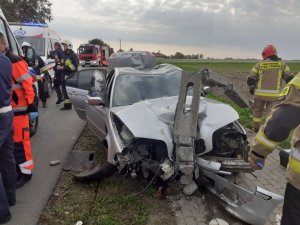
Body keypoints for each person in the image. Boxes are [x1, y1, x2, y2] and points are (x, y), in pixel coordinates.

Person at [248, 73, 300, 225]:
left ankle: (254, 127)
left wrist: (257, 153)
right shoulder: (282, 65)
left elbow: (281, 120)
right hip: (272, 97)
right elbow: (288, 74)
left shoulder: (259, 65)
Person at [6, 43, 37, 189]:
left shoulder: (14, 60)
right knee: (12, 144)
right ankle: (18, 170)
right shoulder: (5, 60)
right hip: (9, 111)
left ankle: (26, 173)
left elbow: (27, 84)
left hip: (19, 111)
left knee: (20, 143)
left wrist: (31, 106)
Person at [247, 45, 294, 132]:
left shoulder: (259, 65)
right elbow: (290, 79)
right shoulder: (282, 65)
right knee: (271, 114)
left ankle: (256, 129)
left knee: (257, 112)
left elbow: (250, 79)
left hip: (259, 95)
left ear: (265, 54)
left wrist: (251, 89)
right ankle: (267, 131)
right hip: (274, 96)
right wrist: (289, 92)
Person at [0, 32, 16, 224]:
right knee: (7, 157)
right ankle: (10, 197)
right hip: (7, 112)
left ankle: (2, 212)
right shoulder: (6, 62)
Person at [21, 42, 48, 108]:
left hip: (37, 77)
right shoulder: (21, 58)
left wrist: (45, 73)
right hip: (28, 78)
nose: (24, 50)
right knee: (30, 92)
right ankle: (32, 104)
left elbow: (43, 66)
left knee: (41, 90)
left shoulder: (36, 57)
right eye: (23, 48)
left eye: (26, 48)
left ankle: (44, 102)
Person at [58, 39, 78, 110]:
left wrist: (64, 67)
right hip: (64, 76)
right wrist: (59, 64)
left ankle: (70, 105)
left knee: (69, 92)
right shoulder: (64, 55)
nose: (64, 47)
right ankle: (67, 106)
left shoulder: (73, 56)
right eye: (63, 46)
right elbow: (62, 63)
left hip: (70, 77)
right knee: (64, 91)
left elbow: (74, 67)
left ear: (69, 46)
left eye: (65, 45)